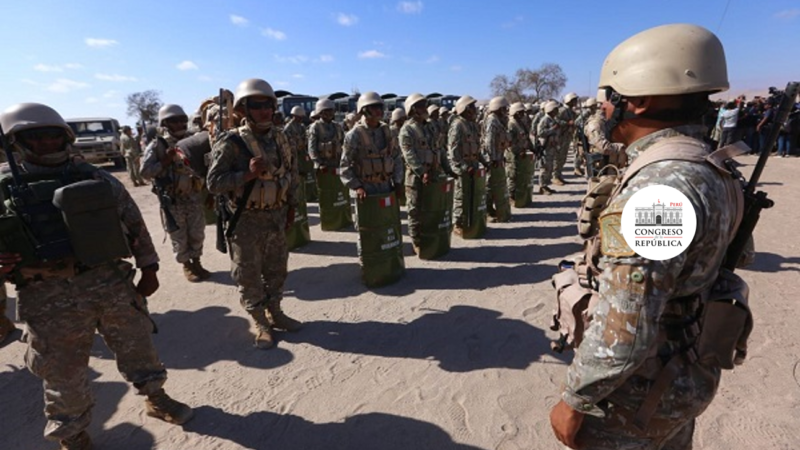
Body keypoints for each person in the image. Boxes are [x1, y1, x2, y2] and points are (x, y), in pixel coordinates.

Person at [550, 24, 750, 449]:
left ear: (637, 101)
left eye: (608, 97)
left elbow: (627, 327)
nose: (601, 108)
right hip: (681, 374)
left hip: (635, 398)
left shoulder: (659, 191)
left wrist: (575, 400)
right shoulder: (708, 165)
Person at [0, 102, 192, 450]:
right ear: (16, 142)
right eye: (35, 137)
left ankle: (156, 397)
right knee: (63, 372)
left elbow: (134, 222)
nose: (45, 143)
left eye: (52, 135)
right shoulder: (3, 187)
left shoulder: (93, 176)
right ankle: (71, 434)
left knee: (138, 346)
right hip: (46, 296)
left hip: (109, 282)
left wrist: (149, 267)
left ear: (65, 137)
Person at [207, 78, 301, 349]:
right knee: (248, 275)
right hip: (246, 221)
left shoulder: (281, 137)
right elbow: (213, 183)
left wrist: (292, 206)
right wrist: (246, 174)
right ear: (244, 109)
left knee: (276, 270)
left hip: (276, 216)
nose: (264, 111)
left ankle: (276, 312)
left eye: (268, 105)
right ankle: (260, 322)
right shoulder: (232, 141)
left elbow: (291, 174)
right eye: (257, 105)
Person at [140, 104, 211, 282]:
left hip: (193, 195)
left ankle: (197, 262)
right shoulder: (158, 144)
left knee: (197, 232)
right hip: (173, 199)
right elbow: (145, 172)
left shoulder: (191, 140)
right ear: (165, 123)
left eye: (182, 120)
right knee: (179, 235)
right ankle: (187, 265)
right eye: (174, 121)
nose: (180, 124)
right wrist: (165, 161)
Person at [399, 93, 450, 257]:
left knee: (432, 208)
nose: (424, 108)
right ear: (413, 109)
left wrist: (446, 169)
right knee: (415, 210)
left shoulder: (430, 127)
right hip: (416, 177)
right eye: (420, 105)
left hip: (434, 174)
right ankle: (417, 241)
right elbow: (409, 155)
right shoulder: (407, 130)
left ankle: (432, 239)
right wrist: (422, 172)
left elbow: (438, 149)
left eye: (424, 105)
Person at [309, 98, 352, 230]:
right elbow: (312, 148)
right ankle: (329, 222)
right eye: (326, 111)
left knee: (341, 194)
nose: (329, 114)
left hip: (337, 165)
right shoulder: (315, 127)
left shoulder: (337, 126)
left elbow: (344, 145)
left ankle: (343, 219)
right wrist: (318, 163)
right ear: (320, 113)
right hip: (324, 168)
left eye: (331, 111)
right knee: (327, 195)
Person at [447, 95, 485, 238]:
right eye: (472, 107)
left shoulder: (472, 125)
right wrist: (463, 167)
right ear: (465, 109)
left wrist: (483, 162)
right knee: (461, 197)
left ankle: (471, 222)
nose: (474, 110)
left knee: (473, 196)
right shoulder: (457, 125)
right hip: (462, 168)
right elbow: (453, 151)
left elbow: (477, 147)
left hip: (473, 166)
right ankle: (458, 224)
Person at [482, 96, 512, 222]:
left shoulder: (499, 120)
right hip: (492, 158)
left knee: (495, 185)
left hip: (498, 156)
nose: (506, 110)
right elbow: (489, 142)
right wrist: (493, 159)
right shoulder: (492, 121)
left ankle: (493, 209)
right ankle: (487, 211)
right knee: (489, 186)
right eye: (504, 108)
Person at [536, 101, 560, 195]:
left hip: (552, 147)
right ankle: (542, 186)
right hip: (545, 147)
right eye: (555, 109)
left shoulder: (552, 120)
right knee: (544, 167)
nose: (557, 111)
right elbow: (540, 132)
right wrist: (552, 129)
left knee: (549, 167)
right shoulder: (544, 120)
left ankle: (546, 185)